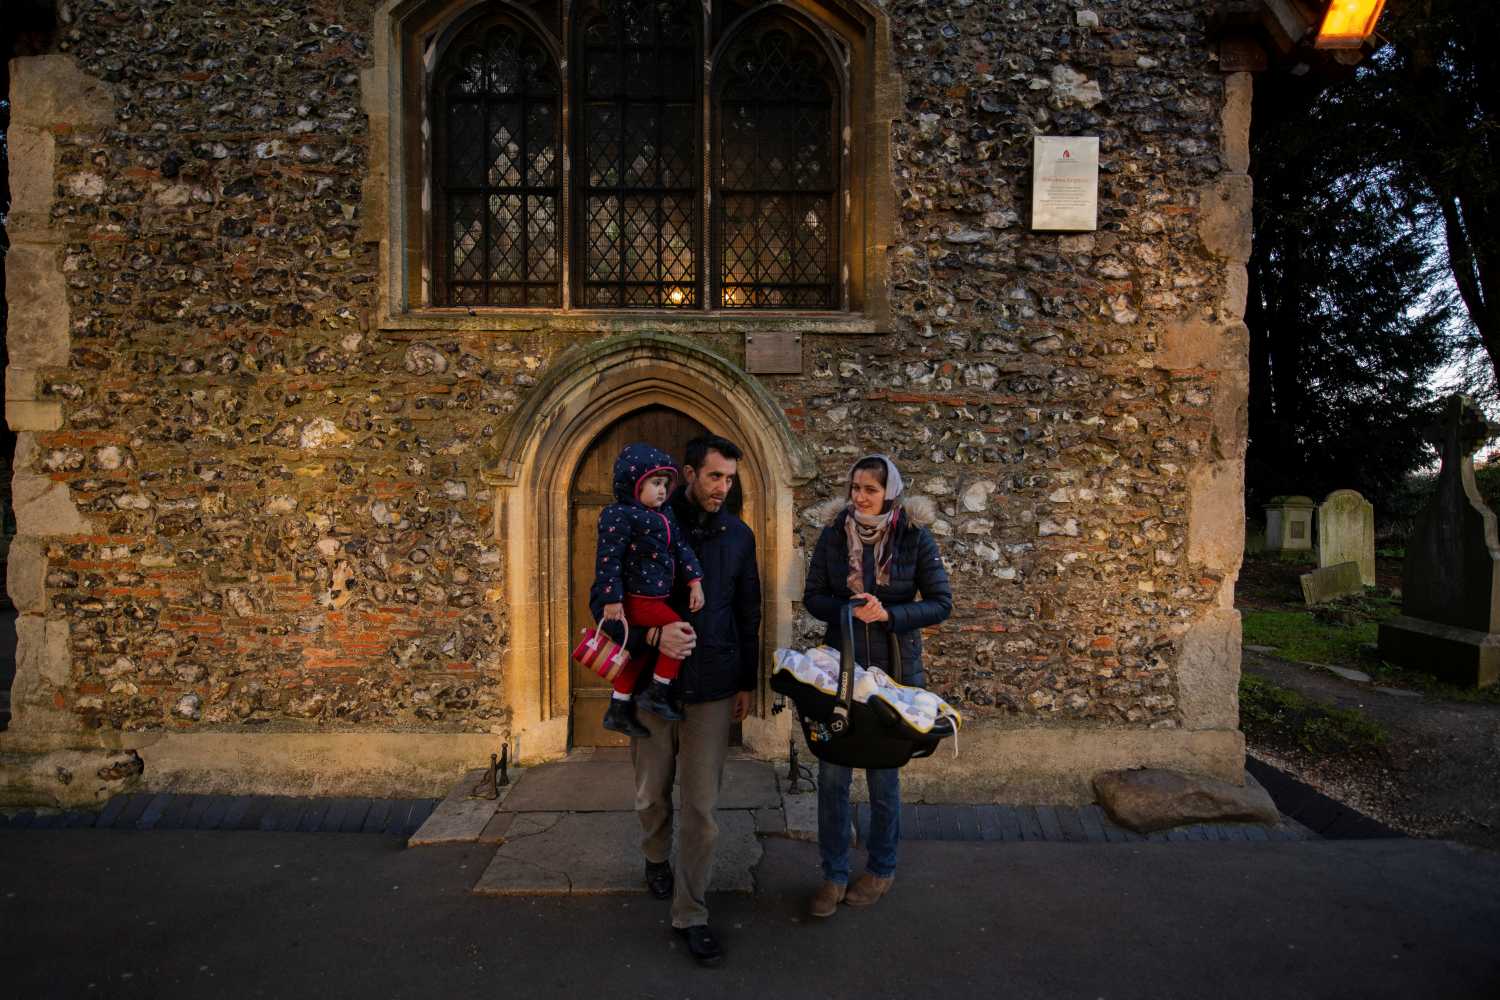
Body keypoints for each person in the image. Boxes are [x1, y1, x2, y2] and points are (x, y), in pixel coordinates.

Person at [590, 434, 761, 967]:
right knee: (650, 795)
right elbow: (605, 600)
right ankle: (654, 856)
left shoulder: (739, 535)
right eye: (715, 477)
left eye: (730, 479)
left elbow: (748, 610)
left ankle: (691, 912)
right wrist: (651, 639)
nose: (723, 488)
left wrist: (746, 683)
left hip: (711, 686)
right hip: (649, 686)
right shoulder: (646, 519)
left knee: (702, 809)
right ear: (688, 474)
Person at [800, 454, 952, 917]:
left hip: (894, 678)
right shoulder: (832, 535)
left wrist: (888, 615)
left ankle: (882, 868)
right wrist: (847, 608)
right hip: (841, 676)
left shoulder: (914, 537)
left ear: (889, 491)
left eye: (869, 488)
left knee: (884, 779)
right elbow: (813, 598)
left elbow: (941, 603)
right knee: (832, 775)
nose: (859, 496)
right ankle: (833, 874)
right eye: (855, 488)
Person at [590, 443, 705, 736]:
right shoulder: (619, 515)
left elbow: (681, 549)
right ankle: (657, 691)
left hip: (656, 595)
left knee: (634, 655)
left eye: (666, 484)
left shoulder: (666, 515)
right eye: (655, 483)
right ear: (634, 484)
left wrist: (695, 581)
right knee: (681, 634)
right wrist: (612, 599)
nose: (663, 490)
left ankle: (618, 708)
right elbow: (608, 559)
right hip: (636, 599)